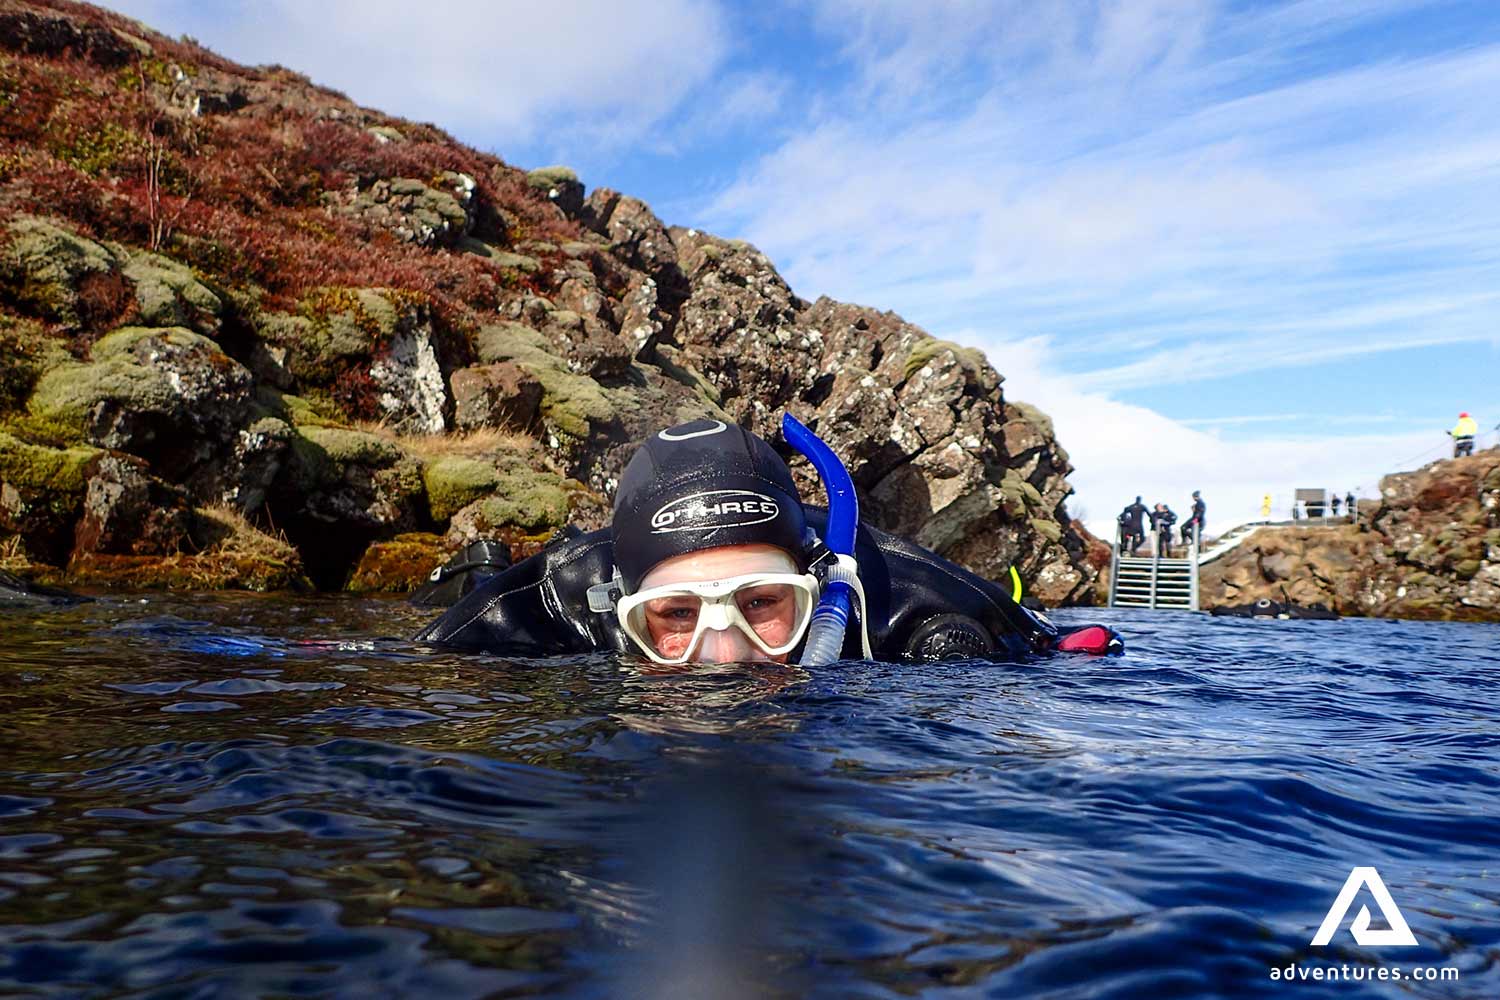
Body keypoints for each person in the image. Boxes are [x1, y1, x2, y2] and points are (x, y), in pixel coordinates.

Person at [415, 418, 1122, 663]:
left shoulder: (891, 589)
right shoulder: (568, 592)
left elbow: (1061, 649)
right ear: (623, 606)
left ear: (813, 588)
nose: (723, 658)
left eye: (761, 603)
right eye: (676, 616)